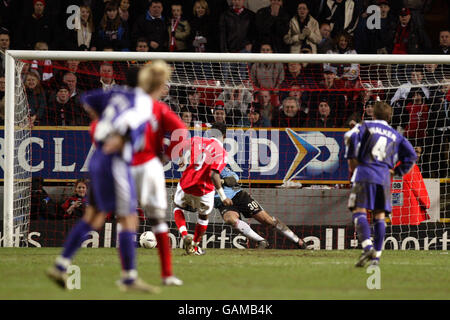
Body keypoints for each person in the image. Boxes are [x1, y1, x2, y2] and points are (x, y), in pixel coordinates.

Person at [47, 77, 159, 293]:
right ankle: (129, 279)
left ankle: (60, 265)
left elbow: (86, 98)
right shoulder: (140, 102)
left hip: (98, 160)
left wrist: (101, 120)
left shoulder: (113, 94)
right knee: (129, 218)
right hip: (115, 162)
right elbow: (130, 127)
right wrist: (122, 138)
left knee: (93, 217)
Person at [130, 61, 188, 286]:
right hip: (151, 166)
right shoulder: (160, 109)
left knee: (125, 217)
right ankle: (167, 274)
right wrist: (167, 155)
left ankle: (129, 273)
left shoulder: (128, 105)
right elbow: (181, 132)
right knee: (158, 220)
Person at [344, 101, 417, 267]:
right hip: (383, 177)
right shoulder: (395, 133)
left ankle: (367, 246)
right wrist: (398, 171)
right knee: (379, 216)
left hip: (364, 172)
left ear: (373, 114)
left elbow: (349, 136)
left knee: (359, 210)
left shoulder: (366, 125)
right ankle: (376, 257)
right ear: (389, 117)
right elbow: (412, 155)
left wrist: (352, 157)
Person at [173, 122, 232, 255]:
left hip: (186, 183)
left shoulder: (197, 140)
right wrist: (223, 196)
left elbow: (179, 145)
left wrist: (182, 157)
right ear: (224, 135)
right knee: (203, 217)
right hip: (204, 190)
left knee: (177, 207)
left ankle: (184, 234)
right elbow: (213, 174)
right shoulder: (222, 152)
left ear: (210, 133)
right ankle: (194, 246)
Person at [214, 165, 307, 249]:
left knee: (268, 221)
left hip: (238, 195)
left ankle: (297, 241)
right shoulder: (199, 173)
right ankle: (261, 241)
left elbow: (234, 178)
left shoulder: (217, 165)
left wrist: (219, 181)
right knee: (230, 219)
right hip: (221, 201)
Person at [390, 146, 430, 225]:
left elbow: (395, 191)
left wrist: (397, 210)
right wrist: (426, 204)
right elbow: (418, 190)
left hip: (398, 214)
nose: (418, 155)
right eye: (416, 152)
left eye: (419, 152)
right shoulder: (412, 167)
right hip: (412, 213)